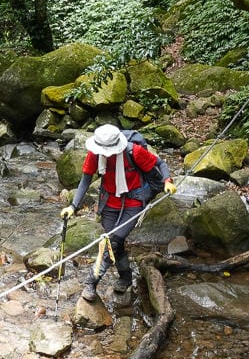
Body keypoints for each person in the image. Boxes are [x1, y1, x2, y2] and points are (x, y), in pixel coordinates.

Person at [59, 125, 174, 300]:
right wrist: (72, 206)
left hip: (134, 200)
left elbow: (160, 163)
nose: (104, 154)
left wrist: (167, 180)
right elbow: (85, 180)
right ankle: (126, 277)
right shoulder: (94, 153)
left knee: (113, 240)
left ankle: (91, 283)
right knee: (114, 242)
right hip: (109, 201)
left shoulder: (133, 152)